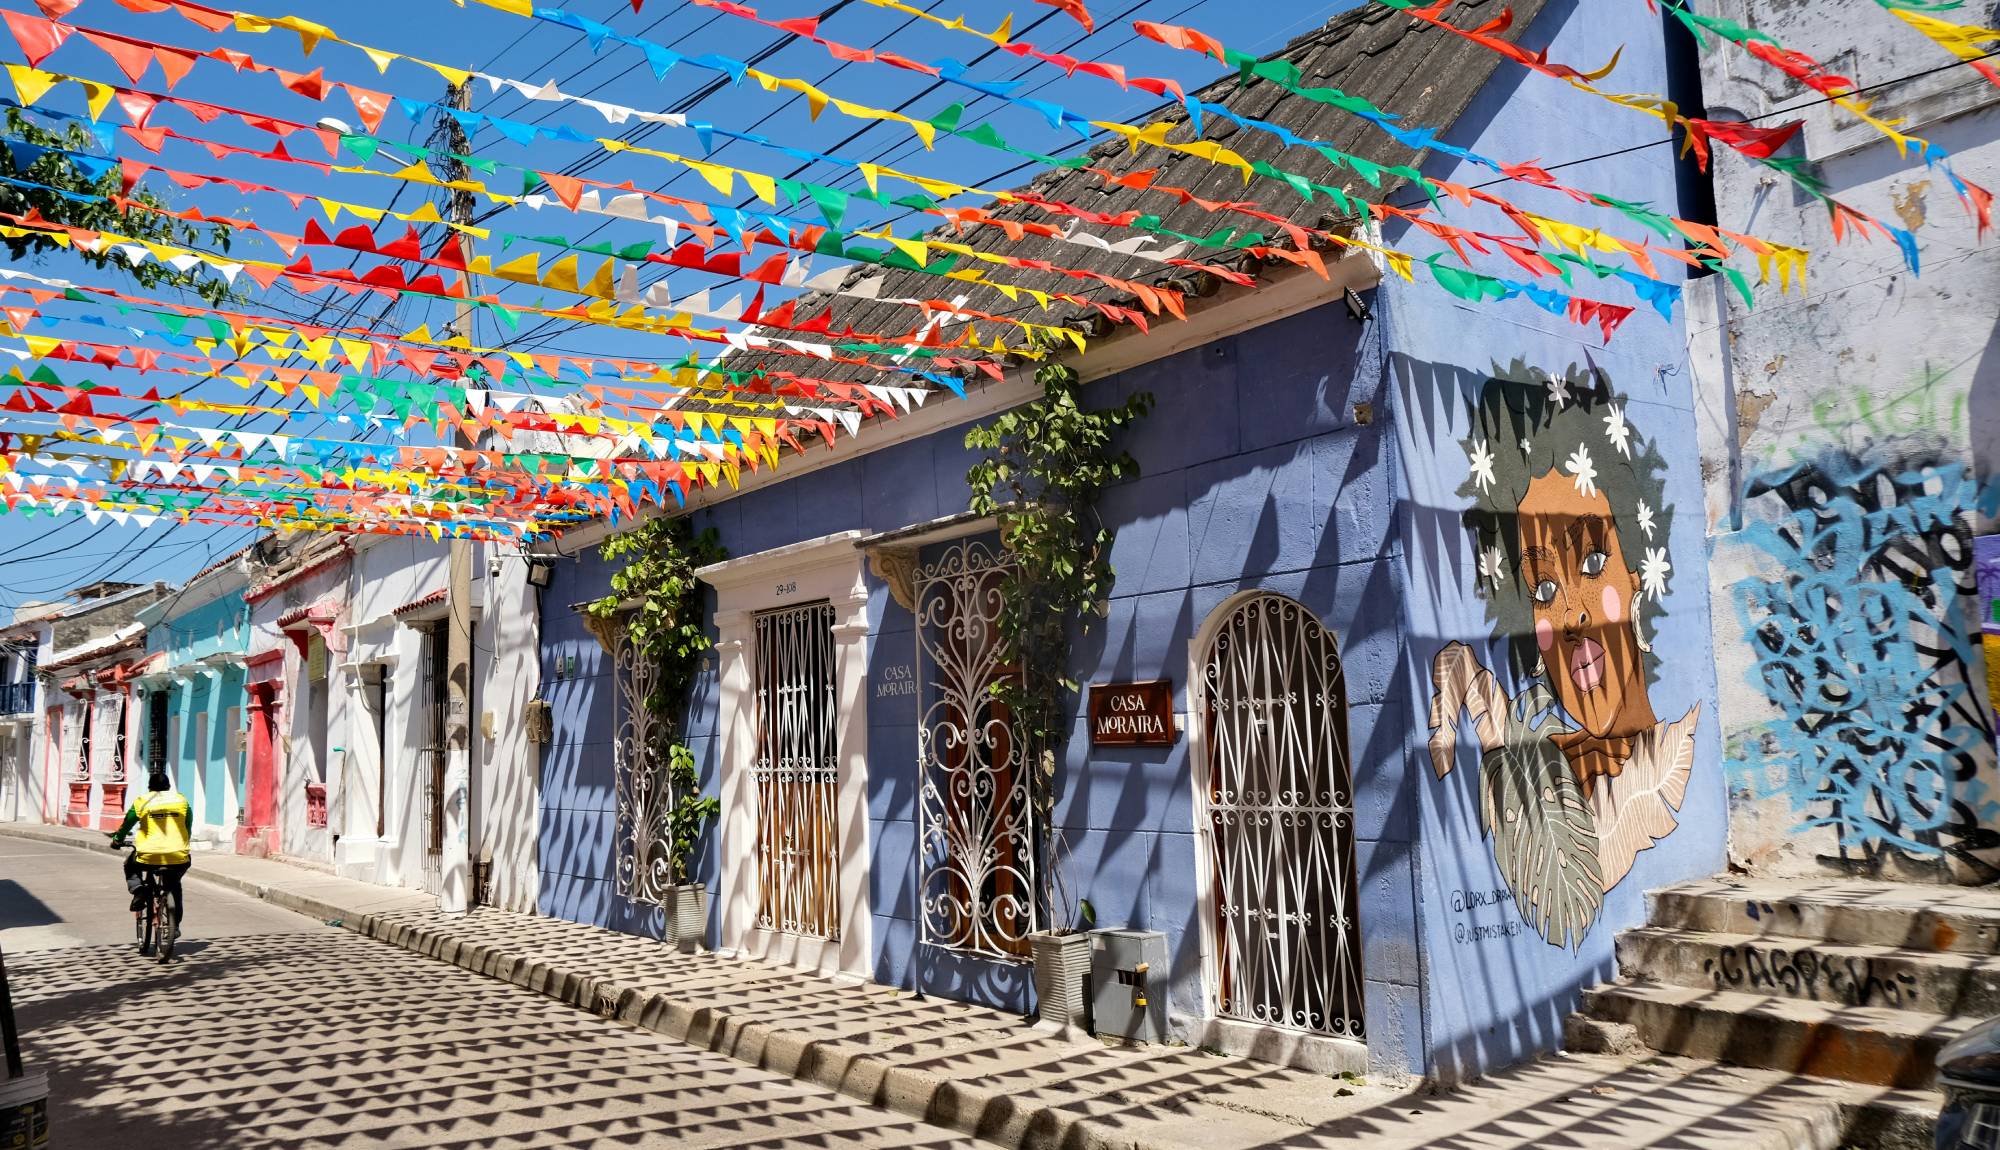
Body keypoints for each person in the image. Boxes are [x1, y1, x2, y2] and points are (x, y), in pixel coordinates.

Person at [109, 769, 192, 930]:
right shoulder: (182, 800)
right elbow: (187, 826)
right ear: (168, 787)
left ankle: (139, 890)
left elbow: (127, 824)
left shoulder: (142, 801)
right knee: (175, 886)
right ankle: (174, 927)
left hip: (148, 856)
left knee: (130, 865)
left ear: (150, 788)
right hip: (178, 856)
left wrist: (117, 840)